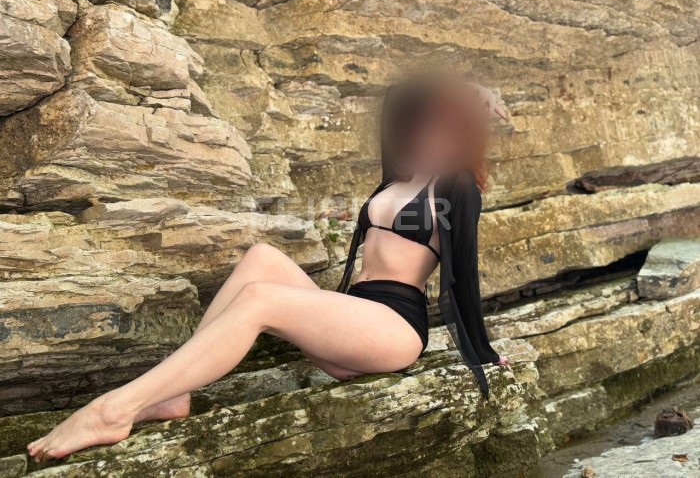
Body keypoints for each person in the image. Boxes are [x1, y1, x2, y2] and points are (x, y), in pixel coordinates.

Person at [28, 73, 509, 461]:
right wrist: (469, 86)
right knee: (262, 257)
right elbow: (401, 92)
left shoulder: (456, 187)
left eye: (443, 127)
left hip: (393, 330)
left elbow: (464, 276)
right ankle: (171, 395)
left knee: (260, 300)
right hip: (351, 320)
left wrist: (483, 353)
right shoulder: (400, 175)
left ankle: (114, 410)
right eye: (425, 124)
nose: (427, 134)